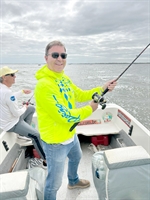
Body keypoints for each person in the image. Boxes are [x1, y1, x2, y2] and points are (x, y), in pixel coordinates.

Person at [34, 40, 117, 200]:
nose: (60, 58)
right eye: (55, 55)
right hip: (55, 143)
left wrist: (102, 88)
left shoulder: (63, 78)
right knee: (54, 184)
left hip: (70, 135)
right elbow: (65, 116)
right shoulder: (44, 86)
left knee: (77, 156)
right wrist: (91, 108)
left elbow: (80, 94)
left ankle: (73, 181)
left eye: (63, 55)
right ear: (46, 58)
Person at [0, 66, 47, 168]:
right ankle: (46, 161)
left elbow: (11, 98)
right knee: (36, 135)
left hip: (8, 121)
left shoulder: (3, 89)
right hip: (13, 124)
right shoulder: (7, 92)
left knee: (31, 108)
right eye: (12, 75)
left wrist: (21, 92)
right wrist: (24, 107)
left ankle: (22, 134)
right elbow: (17, 114)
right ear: (4, 77)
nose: (15, 76)